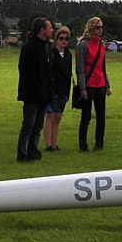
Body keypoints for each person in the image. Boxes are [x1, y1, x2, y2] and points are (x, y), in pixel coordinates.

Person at [17, 17, 53, 162]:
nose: (52, 30)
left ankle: (33, 150)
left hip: (44, 94)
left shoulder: (47, 47)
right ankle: (22, 153)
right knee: (28, 125)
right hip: (32, 95)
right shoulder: (29, 47)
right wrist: (36, 87)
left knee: (38, 126)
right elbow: (24, 71)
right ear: (42, 30)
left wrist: (50, 89)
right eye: (49, 27)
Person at [75, 16, 111, 151]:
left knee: (101, 116)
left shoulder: (102, 45)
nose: (100, 30)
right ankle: (83, 145)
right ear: (91, 28)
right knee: (86, 116)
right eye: (98, 27)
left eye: (102, 27)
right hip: (89, 84)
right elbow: (80, 68)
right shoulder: (82, 45)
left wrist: (107, 85)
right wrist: (82, 87)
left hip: (100, 83)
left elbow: (103, 66)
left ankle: (99, 144)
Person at [43, 25, 72, 152]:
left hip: (63, 90)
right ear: (57, 39)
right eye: (61, 38)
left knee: (58, 118)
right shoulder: (51, 53)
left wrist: (68, 92)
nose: (64, 40)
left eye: (66, 38)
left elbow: (69, 73)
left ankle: (55, 144)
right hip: (52, 89)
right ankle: (48, 144)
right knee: (50, 116)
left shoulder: (68, 55)